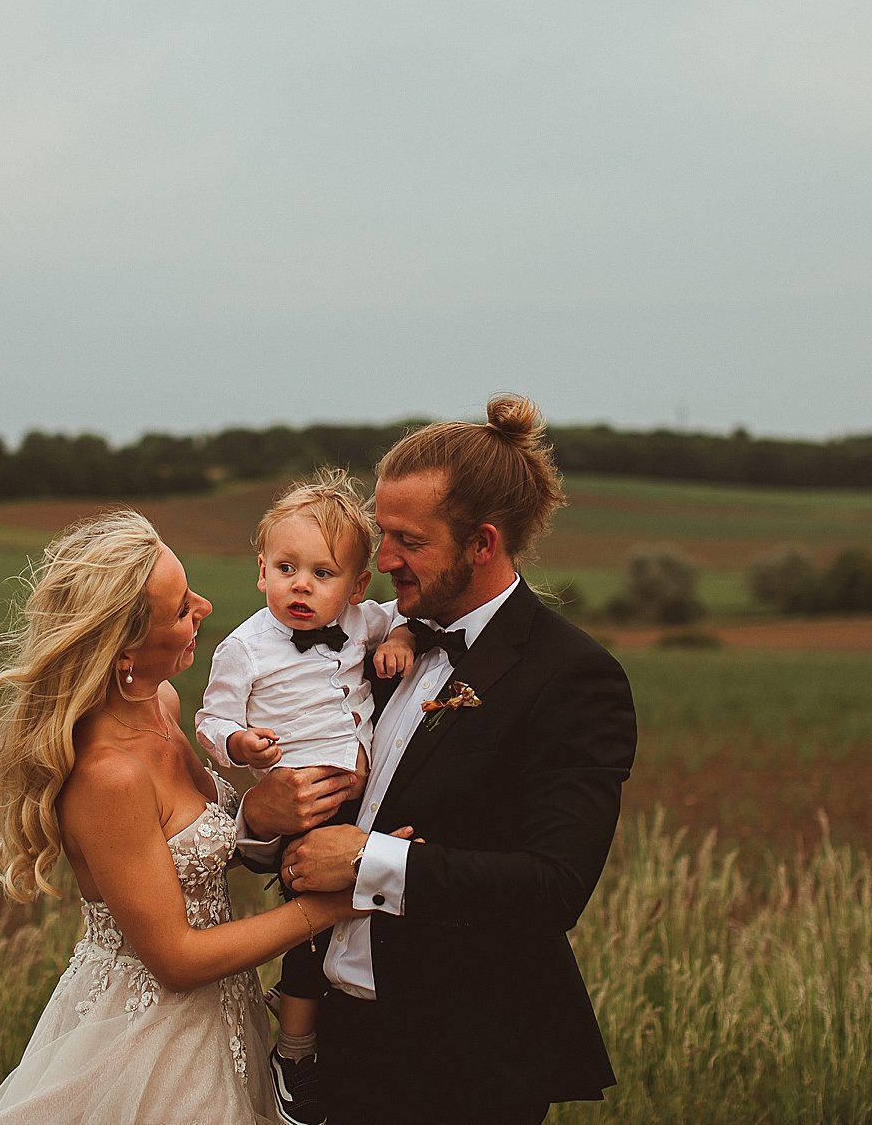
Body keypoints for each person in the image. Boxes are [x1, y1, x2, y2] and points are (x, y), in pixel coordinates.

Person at [241, 395, 640, 1125]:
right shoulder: (360, 643)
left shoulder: (570, 676)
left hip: (459, 1062)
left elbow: (554, 886)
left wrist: (368, 862)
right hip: (332, 1041)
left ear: (482, 543)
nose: (382, 558)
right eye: (379, 533)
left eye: (407, 541)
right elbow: (307, 808)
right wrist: (260, 823)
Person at [0, 510, 365, 1125]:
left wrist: (256, 814)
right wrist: (334, 906)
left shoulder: (162, 704)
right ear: (123, 650)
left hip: (228, 1012)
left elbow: (193, 847)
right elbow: (176, 959)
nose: (203, 607)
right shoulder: (109, 776)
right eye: (180, 609)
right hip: (149, 1036)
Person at [193, 470, 419, 1125]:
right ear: (261, 570)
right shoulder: (244, 648)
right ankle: (295, 1053)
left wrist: (400, 638)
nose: (301, 584)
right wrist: (242, 747)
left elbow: (409, 614)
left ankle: (320, 1037)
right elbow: (210, 721)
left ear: (354, 587)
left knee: (362, 917)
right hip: (302, 803)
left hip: (365, 799)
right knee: (314, 926)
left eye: (322, 573)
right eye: (286, 567)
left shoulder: (362, 623)